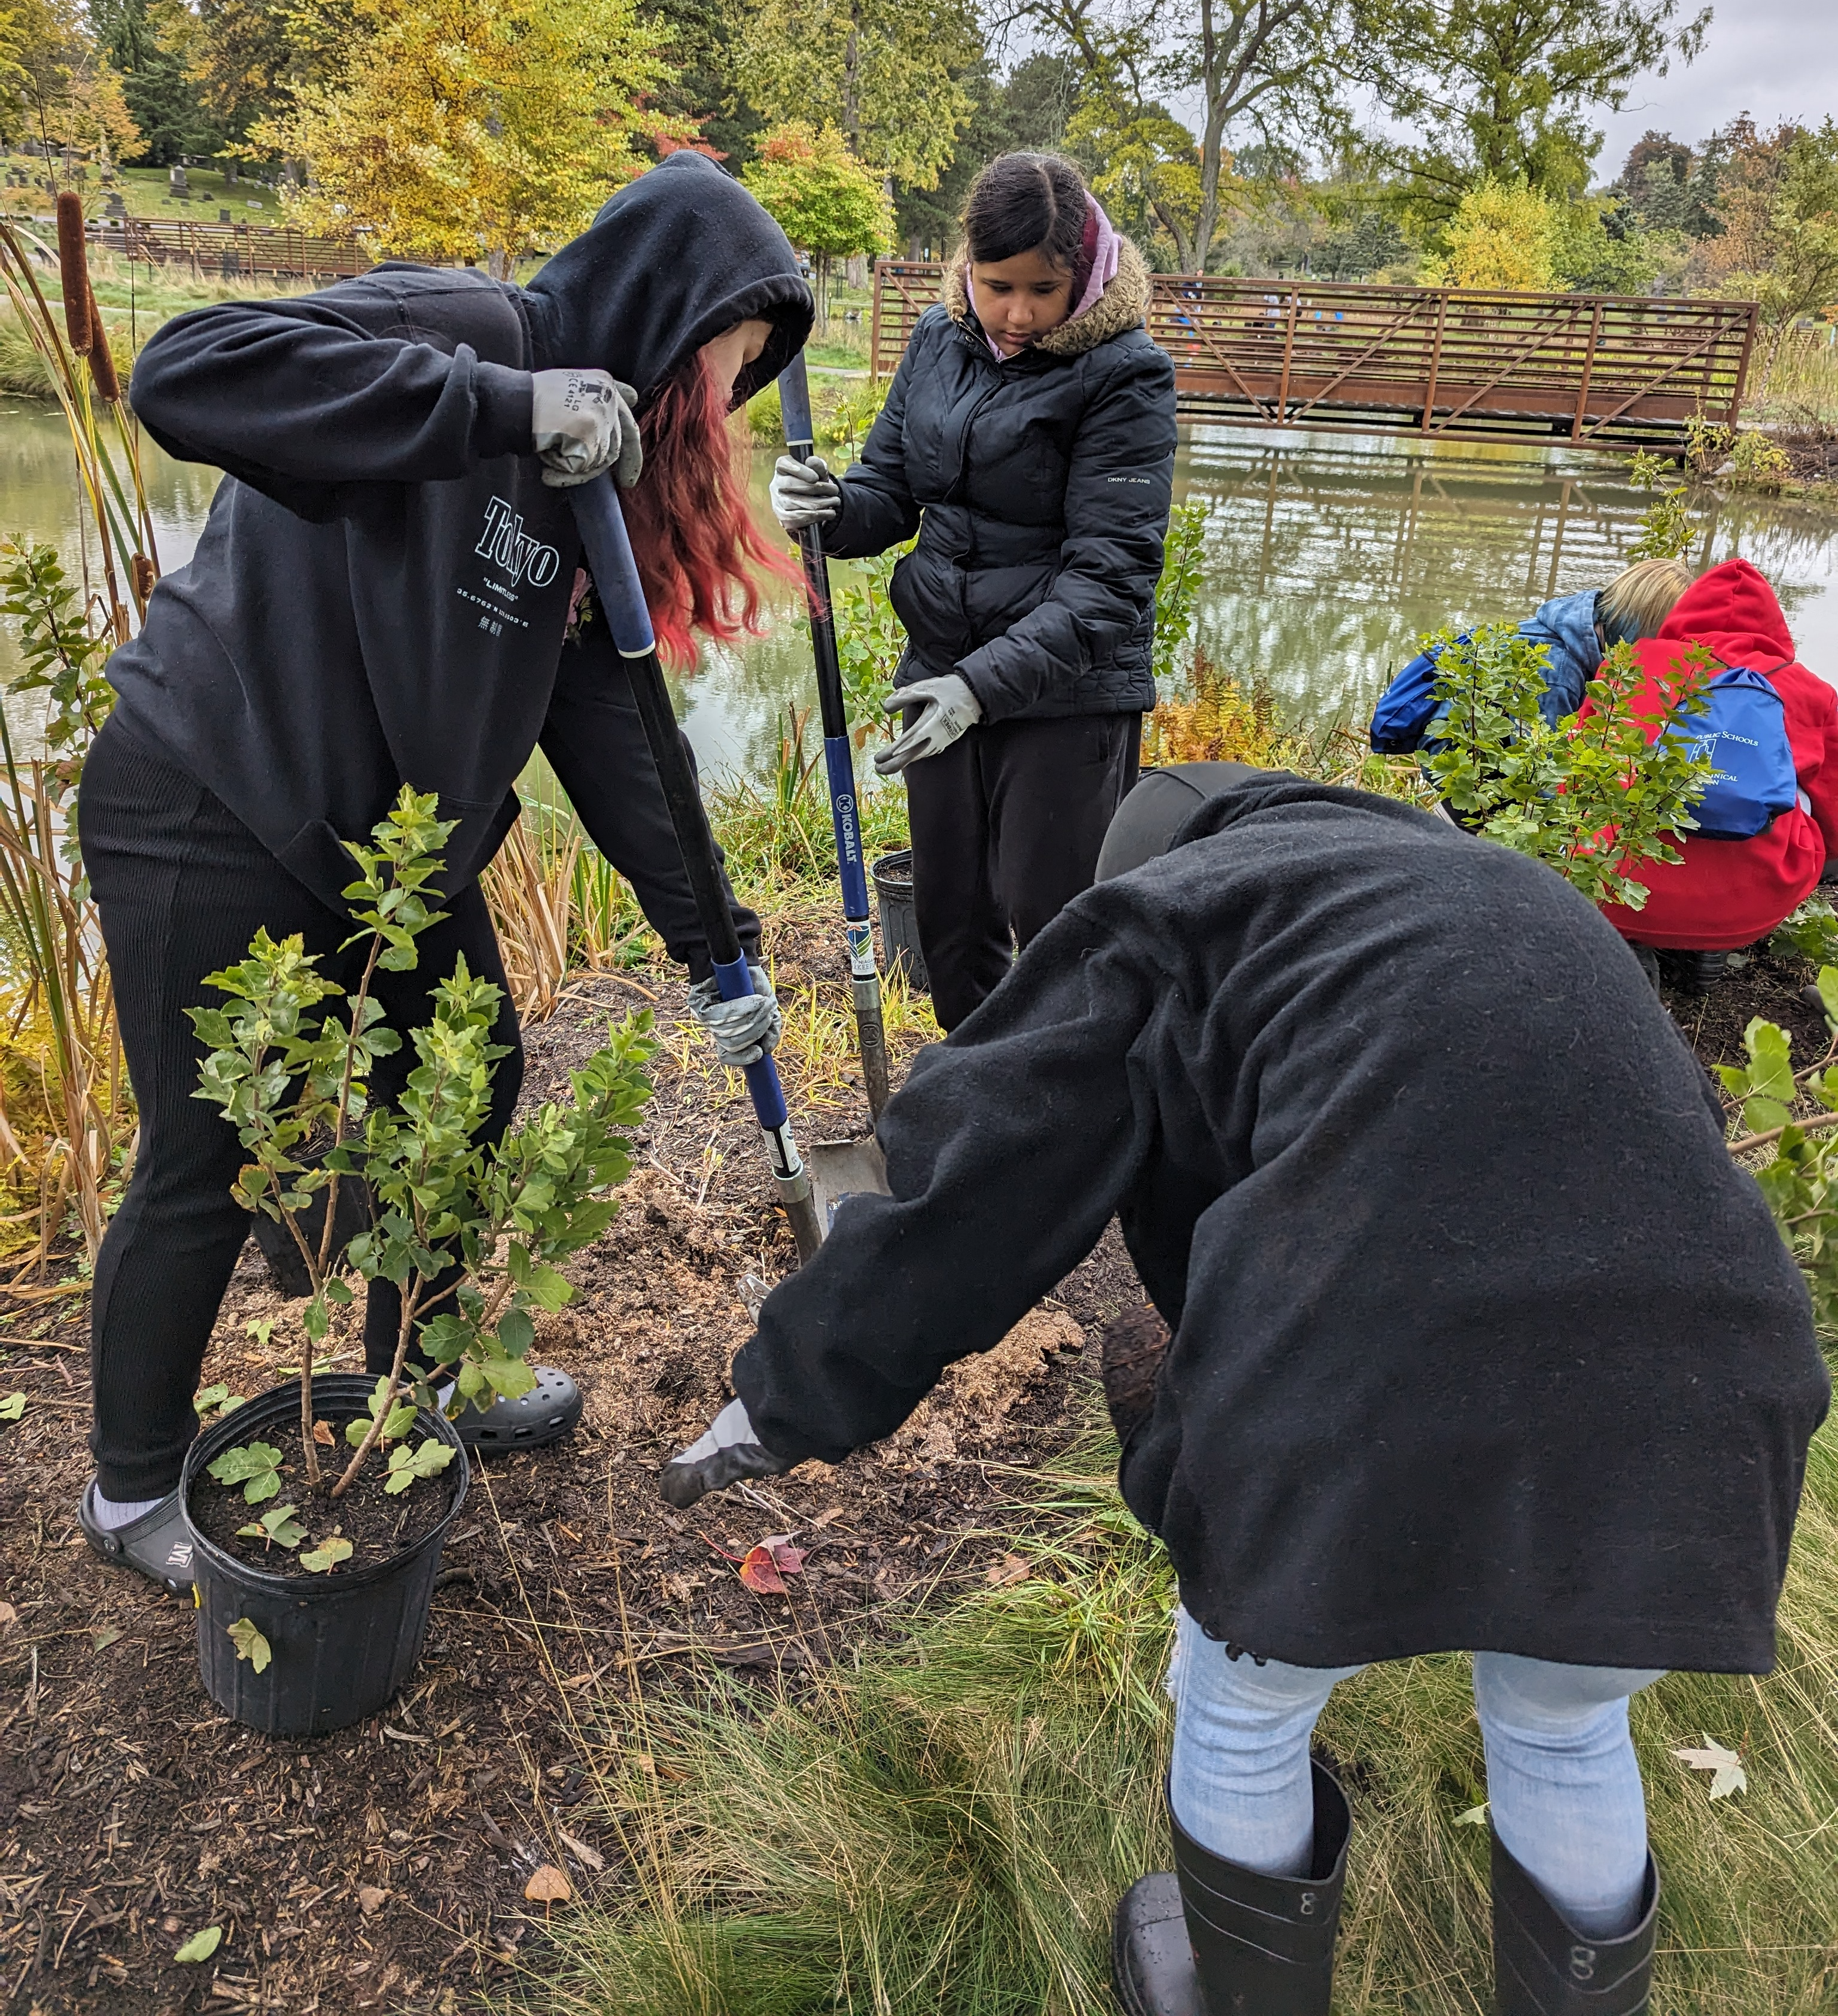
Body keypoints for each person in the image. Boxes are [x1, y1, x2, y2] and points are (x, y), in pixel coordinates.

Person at [659, 762, 1828, 2016]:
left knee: (1248, 1699)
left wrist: (783, 1395)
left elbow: (978, 1176)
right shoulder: (1516, 893)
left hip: (1359, 1353)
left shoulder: (1174, 908)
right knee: (1567, 1717)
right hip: (1707, 1369)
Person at [78, 151, 813, 1594]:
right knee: (203, 1162)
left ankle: (422, 1382)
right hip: (207, 792)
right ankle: (126, 1486)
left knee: (463, 1078)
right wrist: (505, 410)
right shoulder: (465, 335)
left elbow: (618, 736)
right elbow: (187, 369)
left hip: (385, 857)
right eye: (713, 374)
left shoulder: (594, 506)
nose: (714, 416)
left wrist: (715, 948)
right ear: (654, 335)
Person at [768, 151, 1177, 1032]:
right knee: (952, 920)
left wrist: (979, 689)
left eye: (1044, 287)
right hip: (940, 669)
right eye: (998, 286)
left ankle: (1075, 1117)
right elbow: (891, 492)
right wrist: (831, 508)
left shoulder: (1126, 374)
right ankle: (983, 1103)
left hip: (1064, 692)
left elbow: (1110, 581)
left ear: (1086, 268)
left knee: (1057, 924)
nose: (1019, 313)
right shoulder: (938, 337)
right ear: (967, 263)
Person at [1591, 557, 1838, 991]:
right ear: (1776, 627)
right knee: (1799, 797)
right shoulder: (1812, 691)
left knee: (1608, 773)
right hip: (1754, 903)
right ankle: (1712, 936)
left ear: (1684, 612)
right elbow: (1834, 814)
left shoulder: (1633, 662)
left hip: (1616, 885)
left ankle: (1629, 939)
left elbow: (1572, 769)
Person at [1368, 555, 1694, 749]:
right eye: (1662, 634)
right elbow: (1542, 777)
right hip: (1464, 775)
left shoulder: (1569, 622)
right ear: (1642, 624)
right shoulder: (1558, 672)